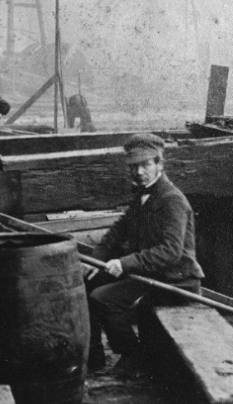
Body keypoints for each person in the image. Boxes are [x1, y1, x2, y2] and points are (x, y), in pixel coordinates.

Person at [85, 133, 204, 376]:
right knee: (88, 284)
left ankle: (134, 356)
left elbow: (170, 252)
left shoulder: (171, 200)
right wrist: (98, 260)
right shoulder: (142, 194)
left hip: (175, 278)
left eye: (146, 164)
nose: (139, 172)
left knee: (103, 298)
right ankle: (93, 356)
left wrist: (125, 263)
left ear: (160, 164)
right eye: (134, 166)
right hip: (152, 272)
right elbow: (119, 230)